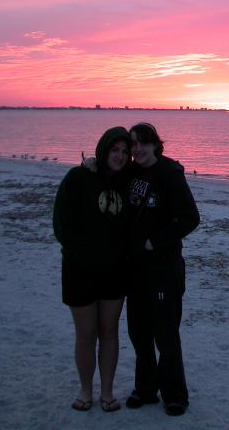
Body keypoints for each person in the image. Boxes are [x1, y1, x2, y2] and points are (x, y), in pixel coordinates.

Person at [53, 126, 131, 412]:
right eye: (114, 150)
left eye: (125, 152)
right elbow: (62, 223)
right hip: (80, 271)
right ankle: (86, 391)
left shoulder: (127, 181)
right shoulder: (78, 177)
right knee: (86, 334)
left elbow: (155, 167)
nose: (120, 157)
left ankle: (107, 392)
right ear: (103, 149)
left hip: (115, 271)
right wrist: (80, 253)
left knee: (109, 331)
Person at [124, 122, 200, 416]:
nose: (138, 149)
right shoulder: (130, 173)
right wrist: (90, 163)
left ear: (156, 144)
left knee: (166, 334)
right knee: (138, 333)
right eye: (133, 144)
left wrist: (155, 241)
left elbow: (190, 218)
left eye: (144, 143)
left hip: (164, 269)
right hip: (135, 270)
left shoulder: (170, 174)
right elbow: (106, 174)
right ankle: (145, 389)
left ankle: (175, 394)